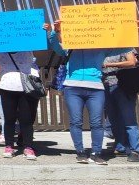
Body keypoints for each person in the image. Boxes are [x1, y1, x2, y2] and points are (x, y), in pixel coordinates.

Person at [48, 20, 126, 165]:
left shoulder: (101, 48)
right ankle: (80, 152)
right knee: (76, 121)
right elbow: (54, 45)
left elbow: (124, 48)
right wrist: (56, 30)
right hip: (73, 87)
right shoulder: (69, 47)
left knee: (97, 122)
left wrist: (133, 31)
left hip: (96, 88)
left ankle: (96, 153)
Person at [0, 45, 44, 161]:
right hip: (6, 86)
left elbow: (41, 49)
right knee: (9, 119)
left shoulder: (27, 46)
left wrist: (47, 32)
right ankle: (9, 146)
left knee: (26, 119)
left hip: (26, 87)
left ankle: (28, 146)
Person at [102, 47, 139, 162]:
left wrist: (110, 65)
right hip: (106, 84)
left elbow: (132, 62)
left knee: (128, 118)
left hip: (122, 85)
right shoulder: (99, 47)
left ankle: (136, 150)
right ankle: (121, 146)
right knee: (113, 118)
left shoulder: (126, 47)